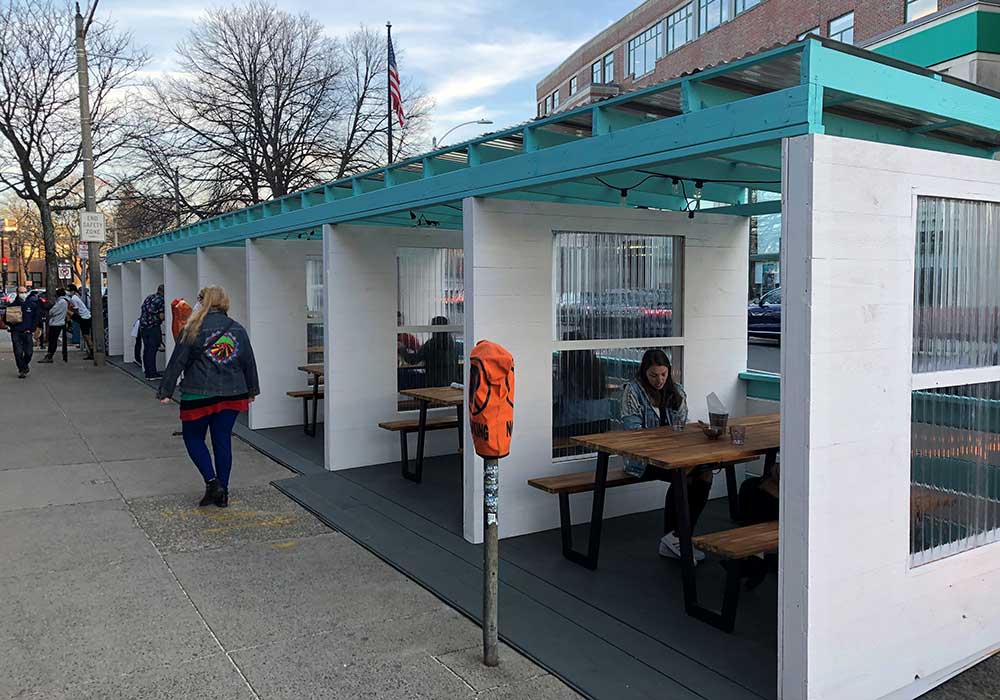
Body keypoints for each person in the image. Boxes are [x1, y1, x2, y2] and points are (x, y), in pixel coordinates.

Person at [157, 286, 259, 508]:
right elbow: (248, 362)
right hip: (233, 393)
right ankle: (223, 491)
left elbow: (177, 362)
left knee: (193, 438)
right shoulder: (238, 329)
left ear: (202, 302)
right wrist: (252, 391)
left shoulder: (192, 328)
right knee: (222, 440)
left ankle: (212, 483)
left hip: (198, 393)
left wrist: (166, 391)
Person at [620, 348, 711, 562]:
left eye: (663, 374)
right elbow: (634, 433)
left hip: (673, 455)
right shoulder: (633, 391)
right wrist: (666, 437)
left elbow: (682, 426)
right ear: (644, 372)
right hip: (641, 459)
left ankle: (677, 536)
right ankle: (676, 538)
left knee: (705, 472)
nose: (659, 380)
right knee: (685, 474)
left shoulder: (676, 390)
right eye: (653, 375)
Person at [403, 315, 460, 387]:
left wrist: (402, 350)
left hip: (435, 384)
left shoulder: (431, 344)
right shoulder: (453, 344)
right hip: (453, 384)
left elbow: (413, 360)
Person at [4, 286, 41, 378]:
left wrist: (33, 328)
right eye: (21, 292)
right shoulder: (12, 306)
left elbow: (36, 318)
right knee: (18, 352)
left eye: (25, 292)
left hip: (27, 332)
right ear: (17, 293)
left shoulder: (32, 305)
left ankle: (24, 365)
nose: (23, 294)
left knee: (29, 352)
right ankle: (22, 369)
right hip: (16, 331)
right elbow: (5, 319)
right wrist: (11, 324)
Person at [138, 284, 165, 379]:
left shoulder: (149, 297)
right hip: (153, 327)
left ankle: (147, 373)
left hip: (143, 327)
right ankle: (153, 374)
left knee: (146, 350)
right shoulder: (161, 300)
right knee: (152, 350)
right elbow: (161, 316)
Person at [38, 288, 68, 363]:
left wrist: (50, 311)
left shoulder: (61, 302)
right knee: (52, 340)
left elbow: (52, 311)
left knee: (52, 341)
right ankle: (50, 355)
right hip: (58, 322)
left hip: (56, 323)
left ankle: (50, 355)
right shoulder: (63, 301)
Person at [67, 284, 94, 360]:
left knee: (87, 337)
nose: (69, 292)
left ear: (72, 291)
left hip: (84, 318)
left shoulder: (74, 298)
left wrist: (71, 312)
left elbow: (76, 310)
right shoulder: (75, 297)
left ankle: (92, 352)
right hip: (85, 317)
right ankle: (91, 351)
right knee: (86, 337)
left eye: (69, 291)